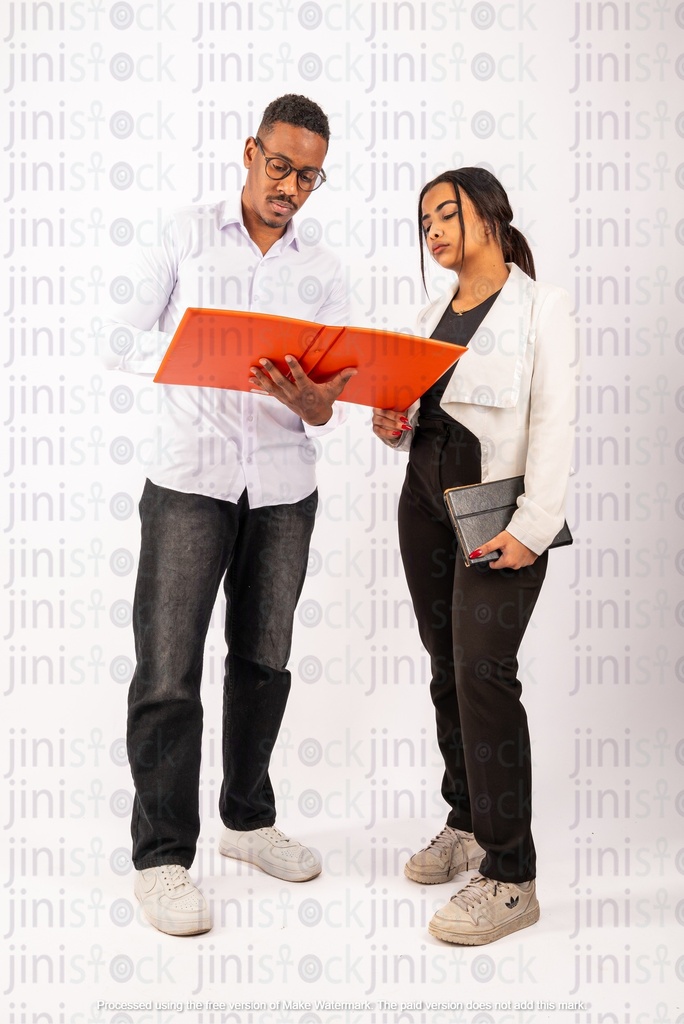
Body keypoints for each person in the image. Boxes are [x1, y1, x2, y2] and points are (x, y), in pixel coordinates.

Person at [102, 94, 355, 936]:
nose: (290, 187)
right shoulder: (183, 232)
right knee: (168, 673)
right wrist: (194, 356)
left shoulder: (324, 267)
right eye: (279, 166)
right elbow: (121, 336)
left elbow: (332, 403)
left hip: (283, 486)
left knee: (264, 662)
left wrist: (316, 402)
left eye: (308, 176)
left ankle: (247, 821)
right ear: (250, 152)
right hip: (189, 481)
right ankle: (165, 858)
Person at [372, 167, 573, 945]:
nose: (433, 229)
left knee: (484, 671)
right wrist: (390, 423)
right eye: (424, 221)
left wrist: (534, 523)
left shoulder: (540, 307)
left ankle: (511, 874)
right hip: (424, 505)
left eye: (446, 213)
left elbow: (554, 420)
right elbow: (415, 414)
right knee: (444, 665)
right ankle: (466, 819)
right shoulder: (430, 312)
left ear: (489, 213)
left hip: (496, 512)